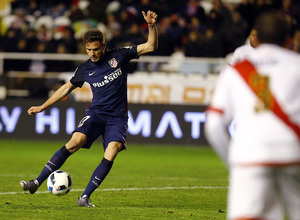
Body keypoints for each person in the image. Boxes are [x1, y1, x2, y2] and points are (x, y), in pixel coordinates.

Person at [20, 10, 158, 207]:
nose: (92, 54)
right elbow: (66, 88)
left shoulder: (120, 55)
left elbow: (151, 45)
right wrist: (42, 106)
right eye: (88, 50)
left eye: (95, 49)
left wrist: (151, 26)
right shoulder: (85, 68)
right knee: (74, 142)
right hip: (96, 114)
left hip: (117, 118)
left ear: (103, 46)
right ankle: (36, 182)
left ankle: (84, 197)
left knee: (113, 149)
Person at [205, 11, 300, 220]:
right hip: (294, 153)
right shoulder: (296, 64)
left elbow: (213, 125)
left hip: (249, 154)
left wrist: (233, 161)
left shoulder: (236, 70)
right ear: (288, 40)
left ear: (256, 37)